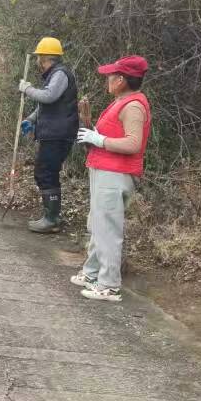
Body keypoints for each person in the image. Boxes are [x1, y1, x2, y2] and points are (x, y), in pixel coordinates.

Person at [70, 55, 151, 303]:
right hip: (105, 170)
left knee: (107, 229)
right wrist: (95, 134)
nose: (108, 79)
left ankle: (108, 285)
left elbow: (133, 143)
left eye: (112, 76)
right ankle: (93, 273)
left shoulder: (133, 106)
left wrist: (100, 140)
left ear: (122, 80)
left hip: (115, 174)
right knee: (97, 224)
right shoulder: (122, 101)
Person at [18, 37, 79, 233]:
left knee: (46, 173)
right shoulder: (53, 74)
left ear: (44, 58)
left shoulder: (60, 74)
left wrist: (27, 89)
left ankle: (52, 219)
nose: (37, 61)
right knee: (45, 172)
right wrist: (31, 120)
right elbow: (46, 104)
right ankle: (51, 216)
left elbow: (49, 96)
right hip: (53, 133)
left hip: (58, 134)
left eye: (39, 57)